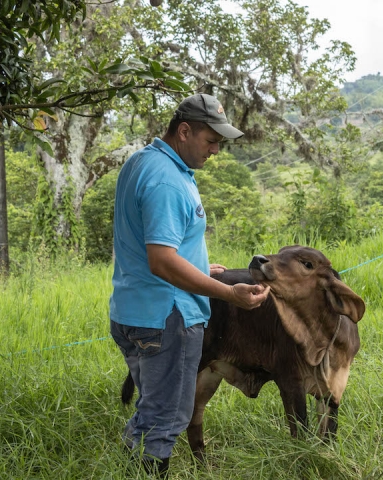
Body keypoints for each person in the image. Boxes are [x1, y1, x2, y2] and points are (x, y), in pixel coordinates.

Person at [109, 93, 270, 478]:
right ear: (184, 131)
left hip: (133, 312)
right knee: (167, 416)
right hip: (167, 318)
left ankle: (128, 464)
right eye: (210, 140)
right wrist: (230, 293)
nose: (216, 150)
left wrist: (200, 267)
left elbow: (158, 244)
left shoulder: (144, 162)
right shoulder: (167, 179)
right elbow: (162, 260)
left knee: (152, 406)